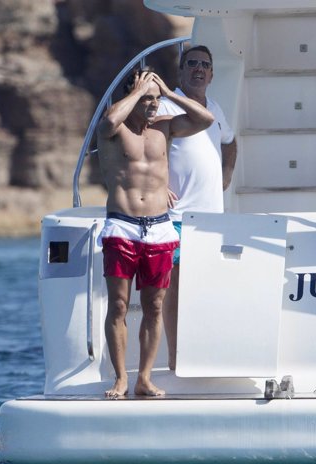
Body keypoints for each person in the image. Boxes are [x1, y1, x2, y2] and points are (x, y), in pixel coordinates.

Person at [97, 67, 214, 398]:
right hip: (122, 225)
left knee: (154, 306)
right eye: (147, 99)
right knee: (119, 305)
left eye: (156, 99)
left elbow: (205, 119)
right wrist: (138, 91)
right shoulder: (114, 128)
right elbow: (108, 121)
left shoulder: (165, 127)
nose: (153, 104)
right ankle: (121, 378)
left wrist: (168, 92)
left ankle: (144, 379)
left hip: (160, 227)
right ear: (131, 97)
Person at [158, 45, 238, 371]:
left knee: (207, 286)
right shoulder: (165, 105)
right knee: (175, 288)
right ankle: (176, 357)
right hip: (177, 216)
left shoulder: (214, 108)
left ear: (212, 74)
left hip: (211, 218)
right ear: (180, 71)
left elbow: (230, 141)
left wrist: (227, 173)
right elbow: (151, 146)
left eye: (205, 64)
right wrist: (158, 184)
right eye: (192, 63)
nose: (199, 69)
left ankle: (204, 352)